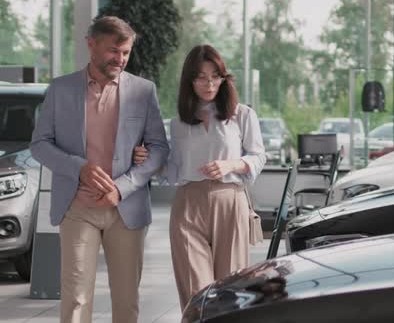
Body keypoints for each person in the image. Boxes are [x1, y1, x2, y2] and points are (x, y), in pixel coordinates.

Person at [30, 16, 169, 323]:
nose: (120, 59)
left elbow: (159, 149)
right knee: (76, 298)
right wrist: (78, 168)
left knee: (125, 299)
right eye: (113, 51)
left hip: (127, 207)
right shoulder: (60, 89)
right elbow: (39, 144)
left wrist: (122, 187)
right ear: (91, 45)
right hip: (77, 206)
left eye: (125, 53)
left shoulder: (143, 91)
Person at [134, 44, 265, 309]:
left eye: (215, 76)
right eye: (201, 77)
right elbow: (173, 170)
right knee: (196, 292)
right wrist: (151, 162)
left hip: (230, 202)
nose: (209, 83)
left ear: (223, 78)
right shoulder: (179, 122)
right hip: (188, 205)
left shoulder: (242, 115)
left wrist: (232, 164)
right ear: (189, 80)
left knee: (230, 290)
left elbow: (258, 156)